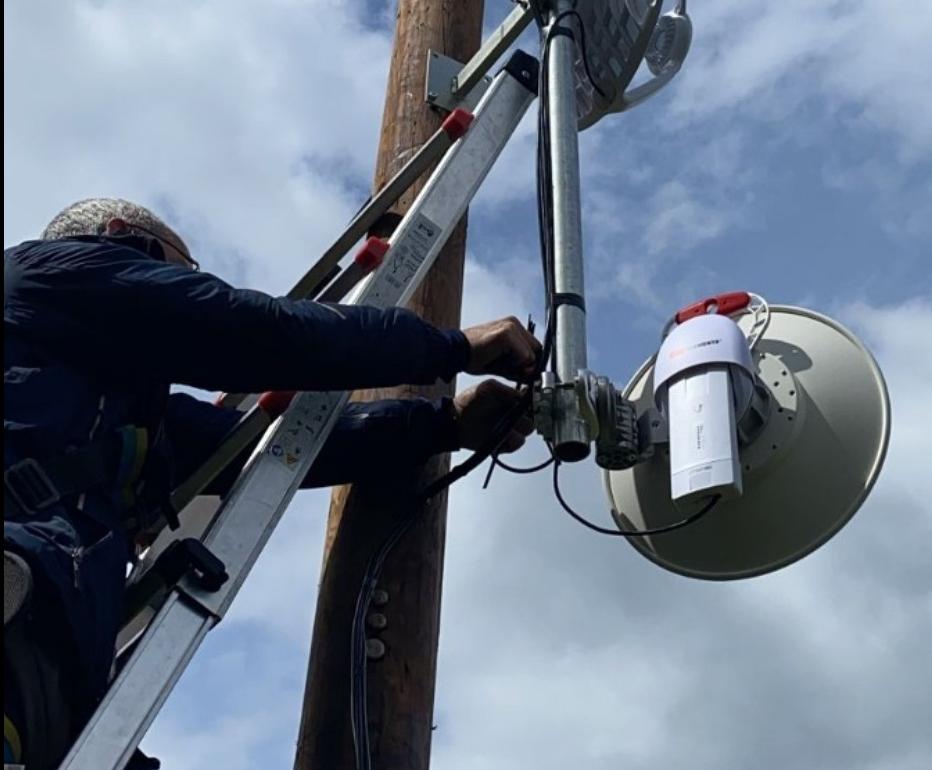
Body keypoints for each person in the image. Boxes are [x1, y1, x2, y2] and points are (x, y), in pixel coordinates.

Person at [2, 198, 542, 769]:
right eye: (180, 272)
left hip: (49, 655)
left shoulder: (112, 426)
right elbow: (241, 330)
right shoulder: (51, 272)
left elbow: (273, 449)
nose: (182, 284)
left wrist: (447, 424)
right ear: (120, 235)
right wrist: (450, 348)